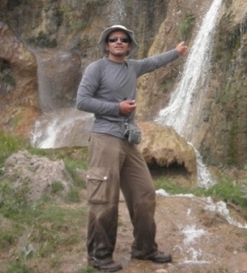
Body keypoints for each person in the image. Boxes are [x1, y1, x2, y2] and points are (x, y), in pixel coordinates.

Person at [76, 24, 188, 272]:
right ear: (106, 45)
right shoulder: (97, 69)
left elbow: (154, 61)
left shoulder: (133, 67)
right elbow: (81, 101)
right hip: (105, 137)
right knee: (104, 198)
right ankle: (100, 256)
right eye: (113, 39)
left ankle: (144, 248)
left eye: (123, 39)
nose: (118, 42)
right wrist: (117, 109)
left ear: (129, 45)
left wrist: (176, 52)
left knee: (145, 193)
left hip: (128, 141)